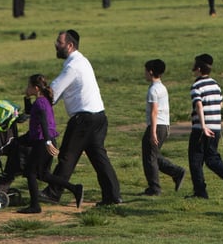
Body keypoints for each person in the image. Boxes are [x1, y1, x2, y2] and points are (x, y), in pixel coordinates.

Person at [42, 30, 122, 206]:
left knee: (67, 157)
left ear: (69, 46)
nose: (56, 45)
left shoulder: (72, 67)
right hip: (99, 117)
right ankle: (113, 196)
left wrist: (39, 98)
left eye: (59, 42)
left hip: (84, 120)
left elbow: (53, 92)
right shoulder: (82, 61)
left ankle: (53, 192)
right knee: (99, 158)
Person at [18, 74, 83, 214]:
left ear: (36, 88)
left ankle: (35, 206)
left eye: (29, 86)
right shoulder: (43, 101)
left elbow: (44, 123)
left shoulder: (40, 103)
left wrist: (47, 142)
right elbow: (30, 112)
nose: (27, 88)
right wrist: (27, 97)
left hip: (43, 141)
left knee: (30, 172)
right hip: (46, 140)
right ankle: (75, 188)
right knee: (43, 174)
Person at [187, 53, 223, 200]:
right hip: (216, 127)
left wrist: (203, 125)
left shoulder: (196, 86)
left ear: (198, 68)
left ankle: (200, 192)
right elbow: (220, 103)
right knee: (212, 160)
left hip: (201, 129)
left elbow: (199, 105)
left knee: (195, 160)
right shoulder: (215, 84)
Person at [141, 59, 185, 196]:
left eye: (146, 71)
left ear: (151, 72)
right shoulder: (162, 87)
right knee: (153, 155)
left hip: (157, 126)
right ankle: (176, 172)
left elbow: (154, 111)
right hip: (164, 125)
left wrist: (152, 132)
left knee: (149, 157)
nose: (144, 73)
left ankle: (155, 188)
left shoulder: (153, 90)